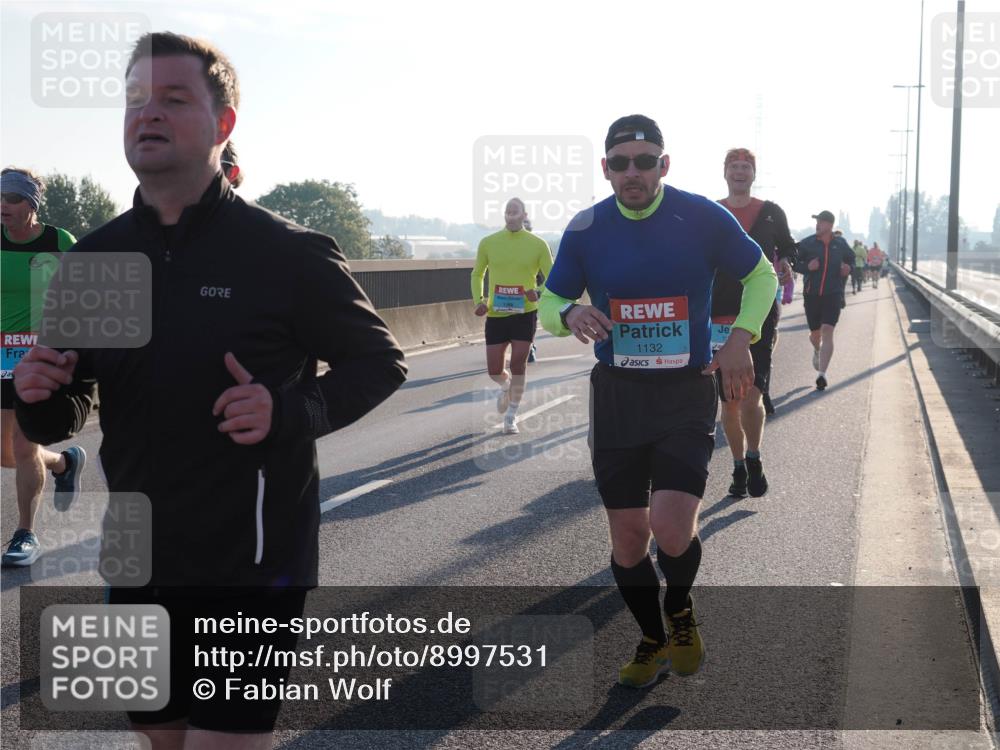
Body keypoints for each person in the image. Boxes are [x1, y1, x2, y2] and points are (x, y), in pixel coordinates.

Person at [13, 32, 406, 747]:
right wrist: (36, 395)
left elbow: (380, 363)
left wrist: (288, 410)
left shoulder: (285, 252)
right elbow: (66, 410)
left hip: (252, 566)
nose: (147, 114)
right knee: (159, 738)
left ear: (223, 125)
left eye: (173, 98)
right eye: (135, 100)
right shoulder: (96, 258)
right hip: (135, 557)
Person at [539, 115, 777, 688]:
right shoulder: (587, 226)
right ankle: (650, 636)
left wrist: (742, 338)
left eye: (645, 161)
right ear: (606, 169)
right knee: (627, 537)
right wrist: (569, 312)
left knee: (671, 528)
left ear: (664, 165)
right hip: (618, 396)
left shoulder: (700, 216)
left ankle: (681, 611)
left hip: (684, 393)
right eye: (620, 163)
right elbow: (549, 303)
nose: (632, 173)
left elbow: (762, 276)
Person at [1, 167, 86, 567]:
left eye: (13, 199)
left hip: (41, 359)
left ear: (32, 206)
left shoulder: (59, 242)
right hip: (1, 355)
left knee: (22, 442)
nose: (3, 206)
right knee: (7, 454)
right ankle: (65, 463)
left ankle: (25, 533)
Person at [713, 148, 796, 498]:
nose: (740, 172)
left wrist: (789, 263)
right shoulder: (712, 213)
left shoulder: (771, 213)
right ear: (725, 172)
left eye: (746, 167)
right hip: (718, 318)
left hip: (759, 316)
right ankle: (736, 467)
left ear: (753, 173)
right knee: (729, 403)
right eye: (734, 166)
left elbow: (789, 247)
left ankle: (754, 456)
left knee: (752, 399)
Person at [471, 197, 553, 434]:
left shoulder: (538, 244)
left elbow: (552, 277)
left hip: (524, 313)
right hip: (496, 313)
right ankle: (506, 387)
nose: (510, 214)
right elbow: (477, 274)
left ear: (524, 215)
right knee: (494, 370)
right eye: (507, 211)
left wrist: (537, 292)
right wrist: (479, 301)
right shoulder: (489, 242)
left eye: (515, 211)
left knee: (518, 363)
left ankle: (511, 416)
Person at [794, 211, 854, 391]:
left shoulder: (840, 244)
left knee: (828, 330)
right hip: (811, 295)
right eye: (817, 221)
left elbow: (851, 260)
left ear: (829, 225)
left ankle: (822, 375)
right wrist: (807, 267)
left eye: (820, 221)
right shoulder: (808, 243)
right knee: (815, 335)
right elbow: (793, 263)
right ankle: (817, 350)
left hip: (833, 294)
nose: (817, 224)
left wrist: (847, 268)